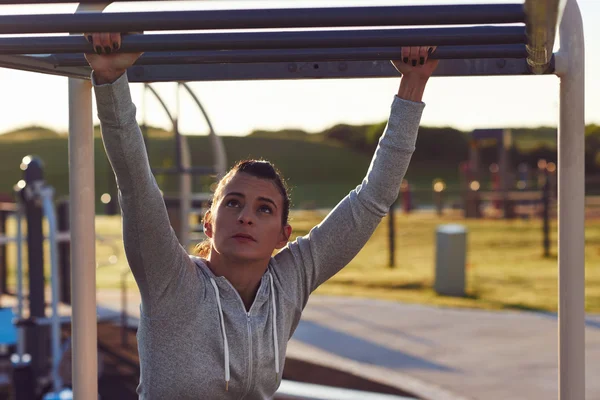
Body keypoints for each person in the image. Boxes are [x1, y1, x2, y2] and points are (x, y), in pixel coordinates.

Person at [85, 32, 438, 399]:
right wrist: (111, 80)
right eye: (233, 203)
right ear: (209, 222)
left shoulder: (289, 282)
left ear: (283, 235)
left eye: (263, 209)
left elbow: (373, 199)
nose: (246, 217)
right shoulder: (171, 282)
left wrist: (413, 83)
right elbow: (135, 184)